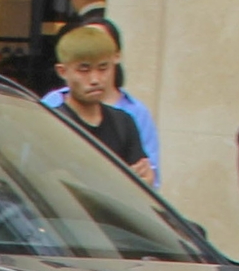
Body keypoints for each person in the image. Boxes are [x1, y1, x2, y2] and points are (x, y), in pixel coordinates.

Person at [43, 18, 160, 180]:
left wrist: (145, 180)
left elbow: (143, 178)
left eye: (103, 68)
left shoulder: (124, 123)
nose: (95, 79)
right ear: (62, 71)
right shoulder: (49, 124)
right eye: (84, 70)